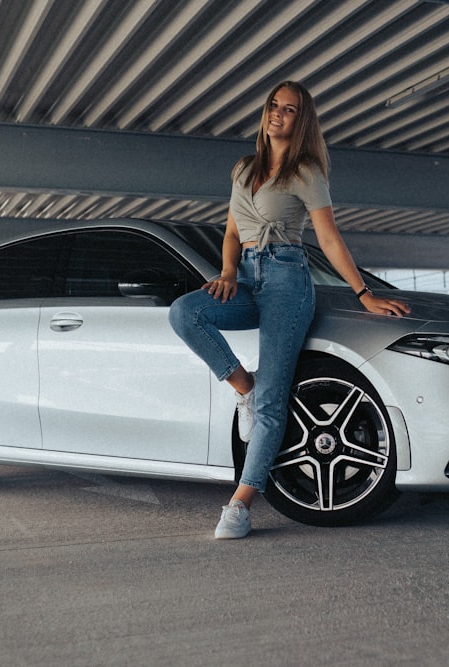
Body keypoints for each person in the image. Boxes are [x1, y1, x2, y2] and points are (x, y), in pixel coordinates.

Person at [169, 81, 410, 539]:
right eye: (273, 106)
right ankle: (245, 389)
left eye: (290, 109)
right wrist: (226, 273)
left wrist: (364, 293)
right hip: (249, 277)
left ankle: (241, 504)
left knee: (275, 401)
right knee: (186, 313)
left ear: (302, 121)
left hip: (287, 280)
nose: (277, 114)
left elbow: (329, 238)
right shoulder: (243, 169)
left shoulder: (306, 171)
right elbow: (232, 231)